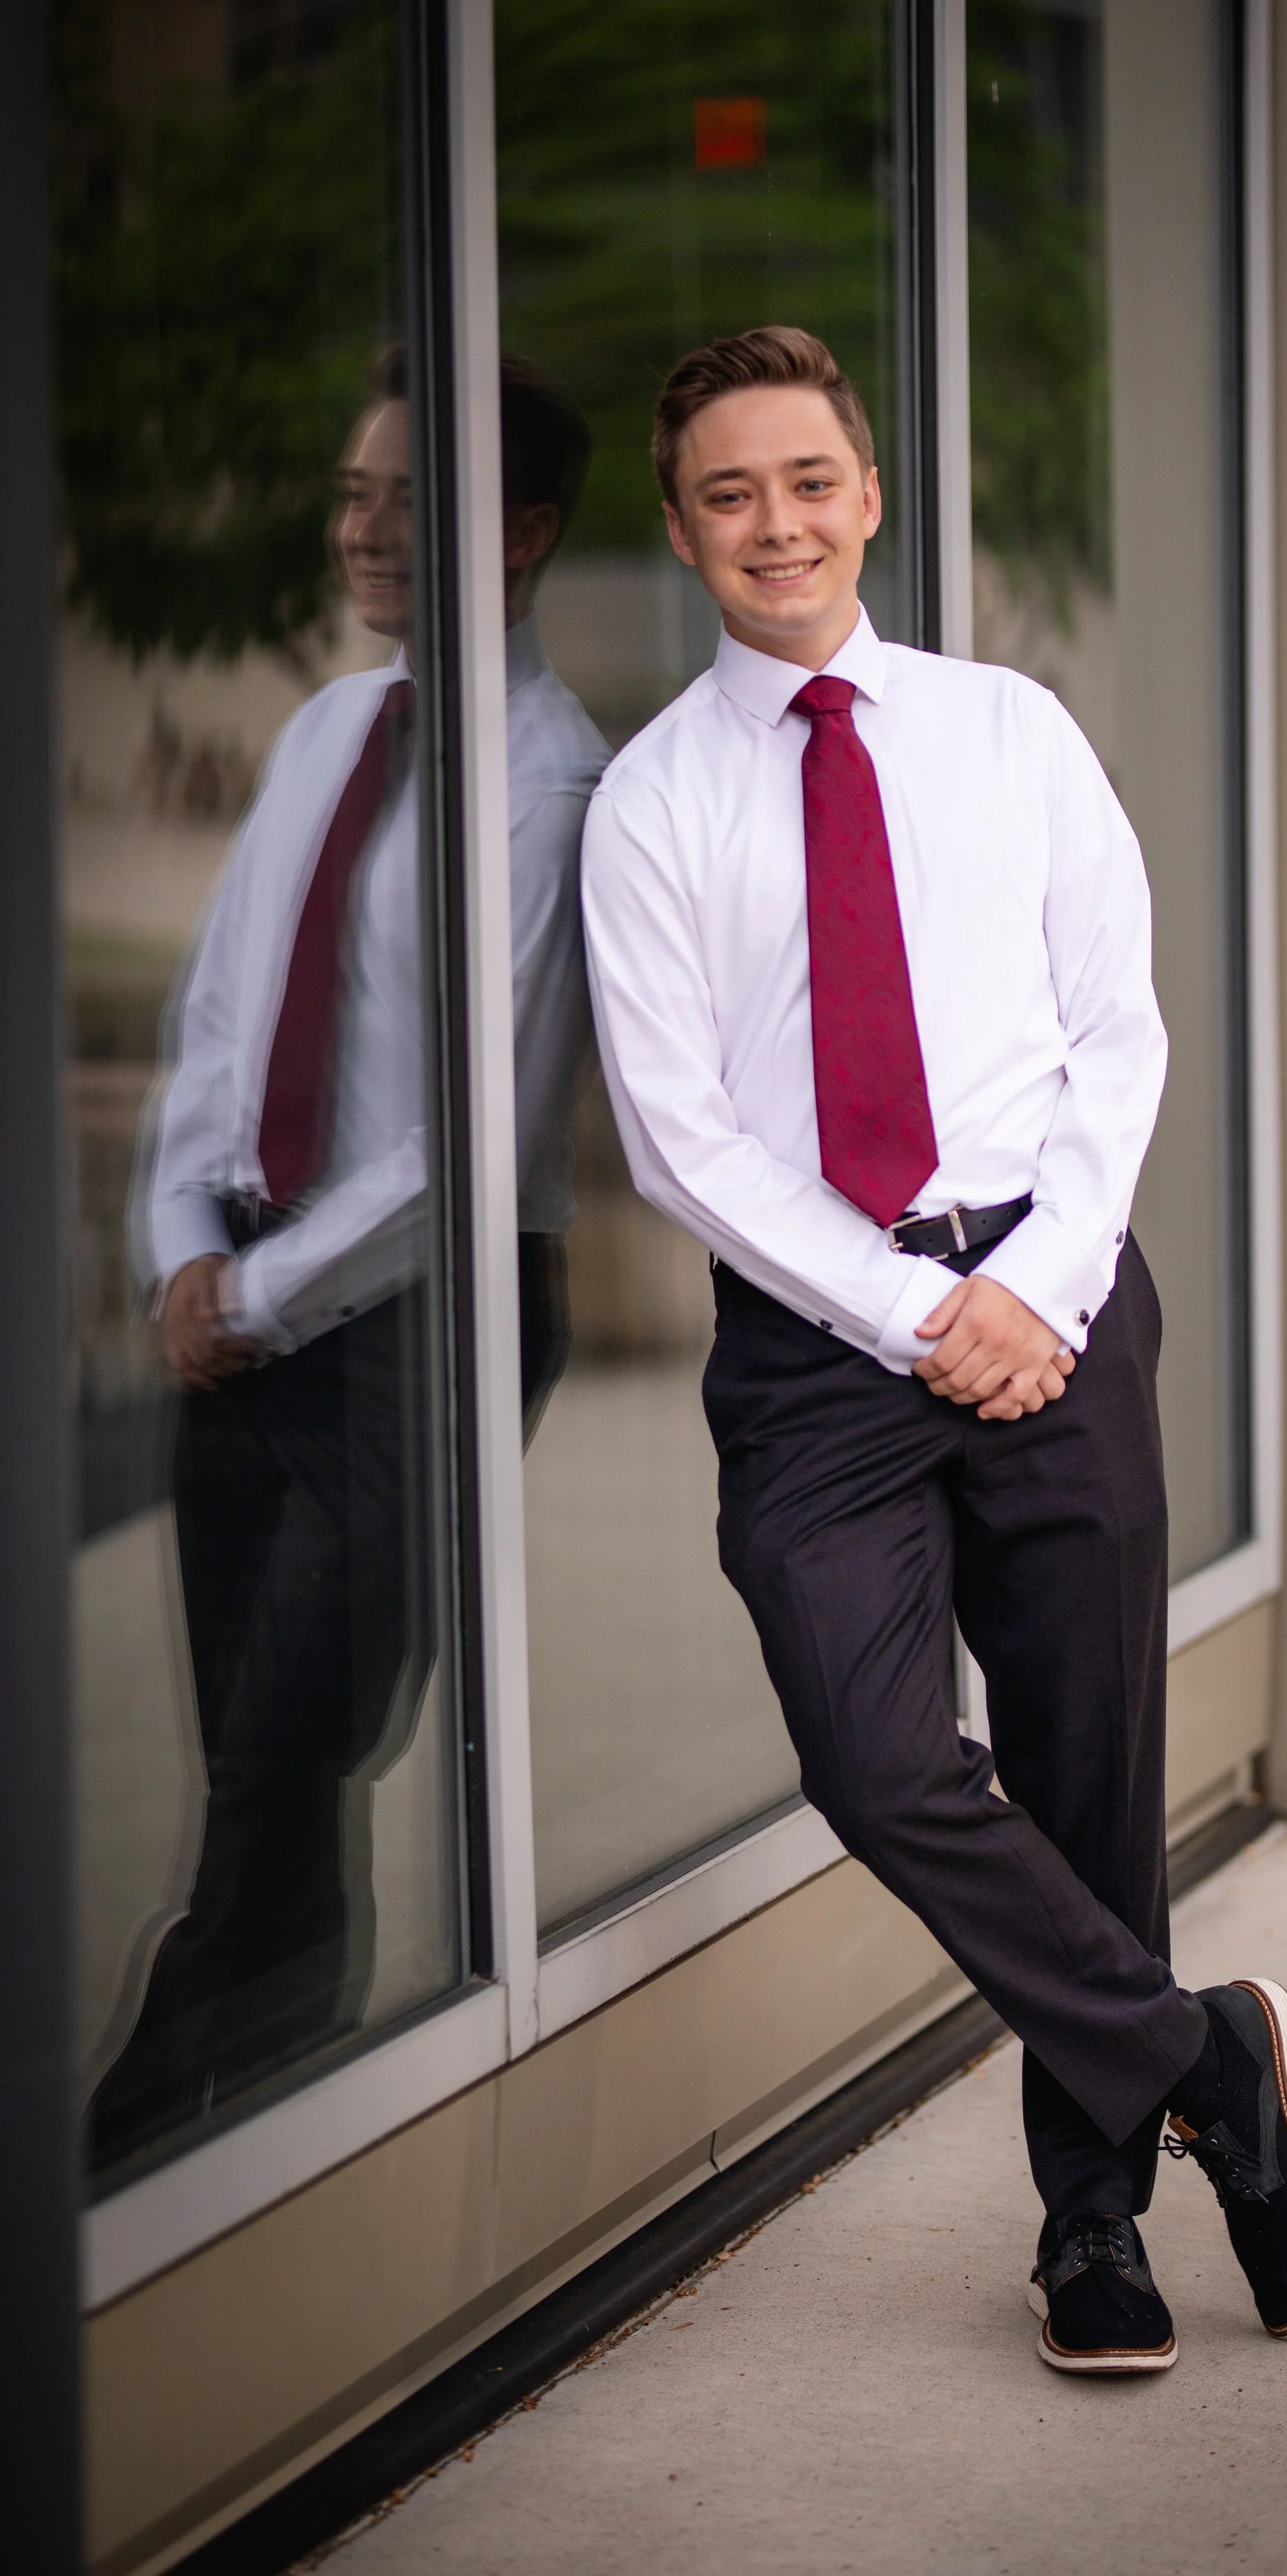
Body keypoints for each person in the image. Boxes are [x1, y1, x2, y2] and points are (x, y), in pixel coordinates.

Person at [580, 325, 1287, 2373]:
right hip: (825, 1350)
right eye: (728, 492)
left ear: (869, 496)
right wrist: (923, 1310)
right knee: (878, 1750)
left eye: (806, 480)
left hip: (1059, 1301)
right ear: (681, 528)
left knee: (1088, 1776)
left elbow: (1123, 1024)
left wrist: (1043, 1287)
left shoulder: (1005, 729)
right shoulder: (651, 802)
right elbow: (679, 1134)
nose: (774, 524)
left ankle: (1090, 2233)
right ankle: (1200, 2057)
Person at [87, 350, 608, 2168]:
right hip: (237, 1293)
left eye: (414, 499)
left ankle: (127, 2143)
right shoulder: (323, 732)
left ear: (523, 535)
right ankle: (294, 2127)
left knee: (298, 1742)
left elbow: (465, 1135)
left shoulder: (548, 788)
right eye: (355, 491)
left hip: (417, 1331)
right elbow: (220, 1016)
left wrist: (261, 1292)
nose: (366, 529)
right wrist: (178, 1242)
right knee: (260, 1757)